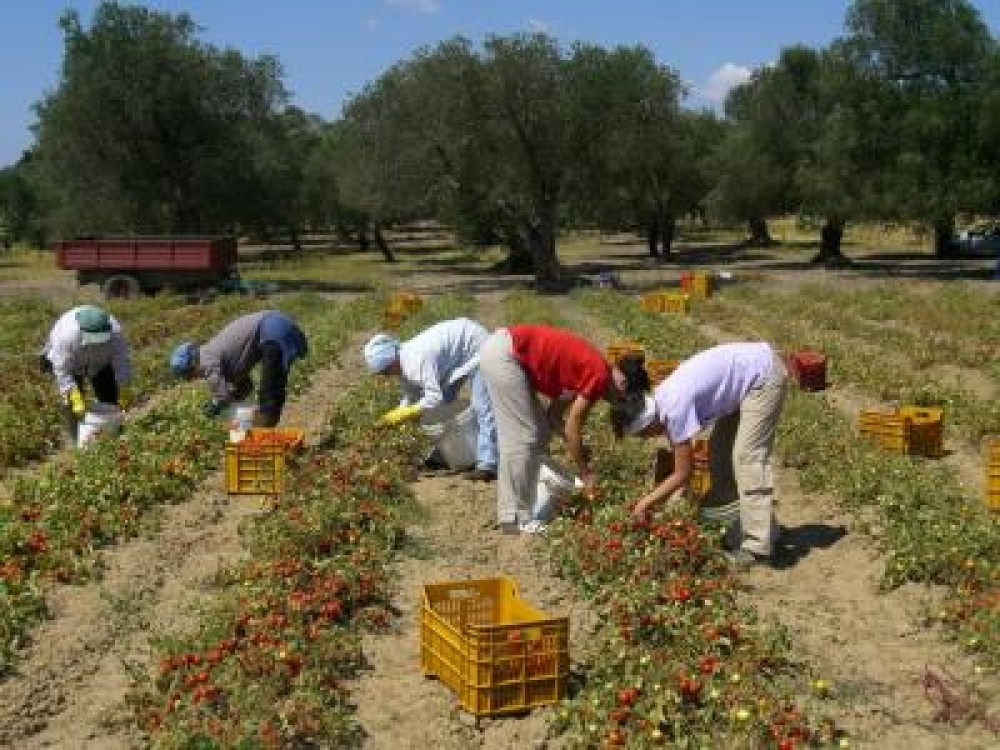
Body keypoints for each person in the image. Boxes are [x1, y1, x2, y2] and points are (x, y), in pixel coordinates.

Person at [612, 342, 788, 568]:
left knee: (746, 458)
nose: (647, 439)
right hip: (744, 381)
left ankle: (758, 547)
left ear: (648, 424)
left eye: (644, 435)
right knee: (720, 456)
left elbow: (683, 473)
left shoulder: (673, 409)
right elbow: (682, 468)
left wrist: (645, 504)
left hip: (762, 376)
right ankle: (754, 529)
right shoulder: (661, 402)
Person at [478, 324, 628, 535]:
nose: (611, 401)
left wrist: (574, 444)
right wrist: (585, 472)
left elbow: (554, 417)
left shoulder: (588, 370)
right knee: (523, 437)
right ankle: (516, 518)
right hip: (505, 355)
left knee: (539, 432)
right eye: (619, 400)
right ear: (623, 384)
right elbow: (573, 425)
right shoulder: (599, 375)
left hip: (505, 352)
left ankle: (524, 507)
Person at [363, 318, 497, 480]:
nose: (385, 376)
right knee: (440, 408)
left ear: (392, 362)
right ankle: (444, 454)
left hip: (476, 345)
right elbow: (412, 397)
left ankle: (488, 464)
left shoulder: (415, 360)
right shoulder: (401, 365)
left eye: (385, 371)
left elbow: (434, 397)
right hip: (456, 355)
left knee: (482, 406)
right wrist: (394, 415)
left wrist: (408, 413)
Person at [169, 310, 307, 427]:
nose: (195, 378)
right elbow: (246, 386)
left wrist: (216, 405)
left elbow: (222, 395)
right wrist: (231, 399)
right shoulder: (217, 358)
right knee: (272, 392)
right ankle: (263, 437)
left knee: (269, 402)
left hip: (273, 330)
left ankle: (262, 443)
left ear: (192, 364)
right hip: (275, 325)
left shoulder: (206, 361)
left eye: (190, 375)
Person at [40, 304, 132, 444]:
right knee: (72, 405)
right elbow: (62, 369)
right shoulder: (66, 337)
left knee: (110, 398)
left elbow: (122, 363)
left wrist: (123, 388)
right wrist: (74, 395)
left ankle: (111, 435)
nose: (97, 343)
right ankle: (76, 441)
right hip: (73, 364)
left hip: (101, 363)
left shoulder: (115, 333)